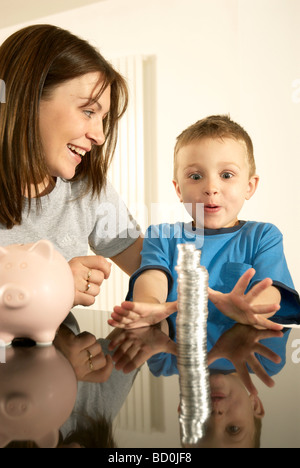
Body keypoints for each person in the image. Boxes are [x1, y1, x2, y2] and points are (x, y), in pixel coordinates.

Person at [109, 115, 300, 331]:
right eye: (196, 176)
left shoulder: (263, 236)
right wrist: (150, 306)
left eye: (226, 175)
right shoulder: (162, 236)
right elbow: (153, 279)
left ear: (249, 186)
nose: (211, 187)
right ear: (179, 189)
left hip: (240, 359)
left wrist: (250, 308)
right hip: (178, 358)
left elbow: (270, 289)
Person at [0, 24, 143, 309]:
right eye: (88, 111)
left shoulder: (86, 191)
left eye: (102, 118)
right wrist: (51, 280)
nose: (100, 136)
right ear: (26, 99)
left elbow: (152, 269)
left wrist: (224, 298)